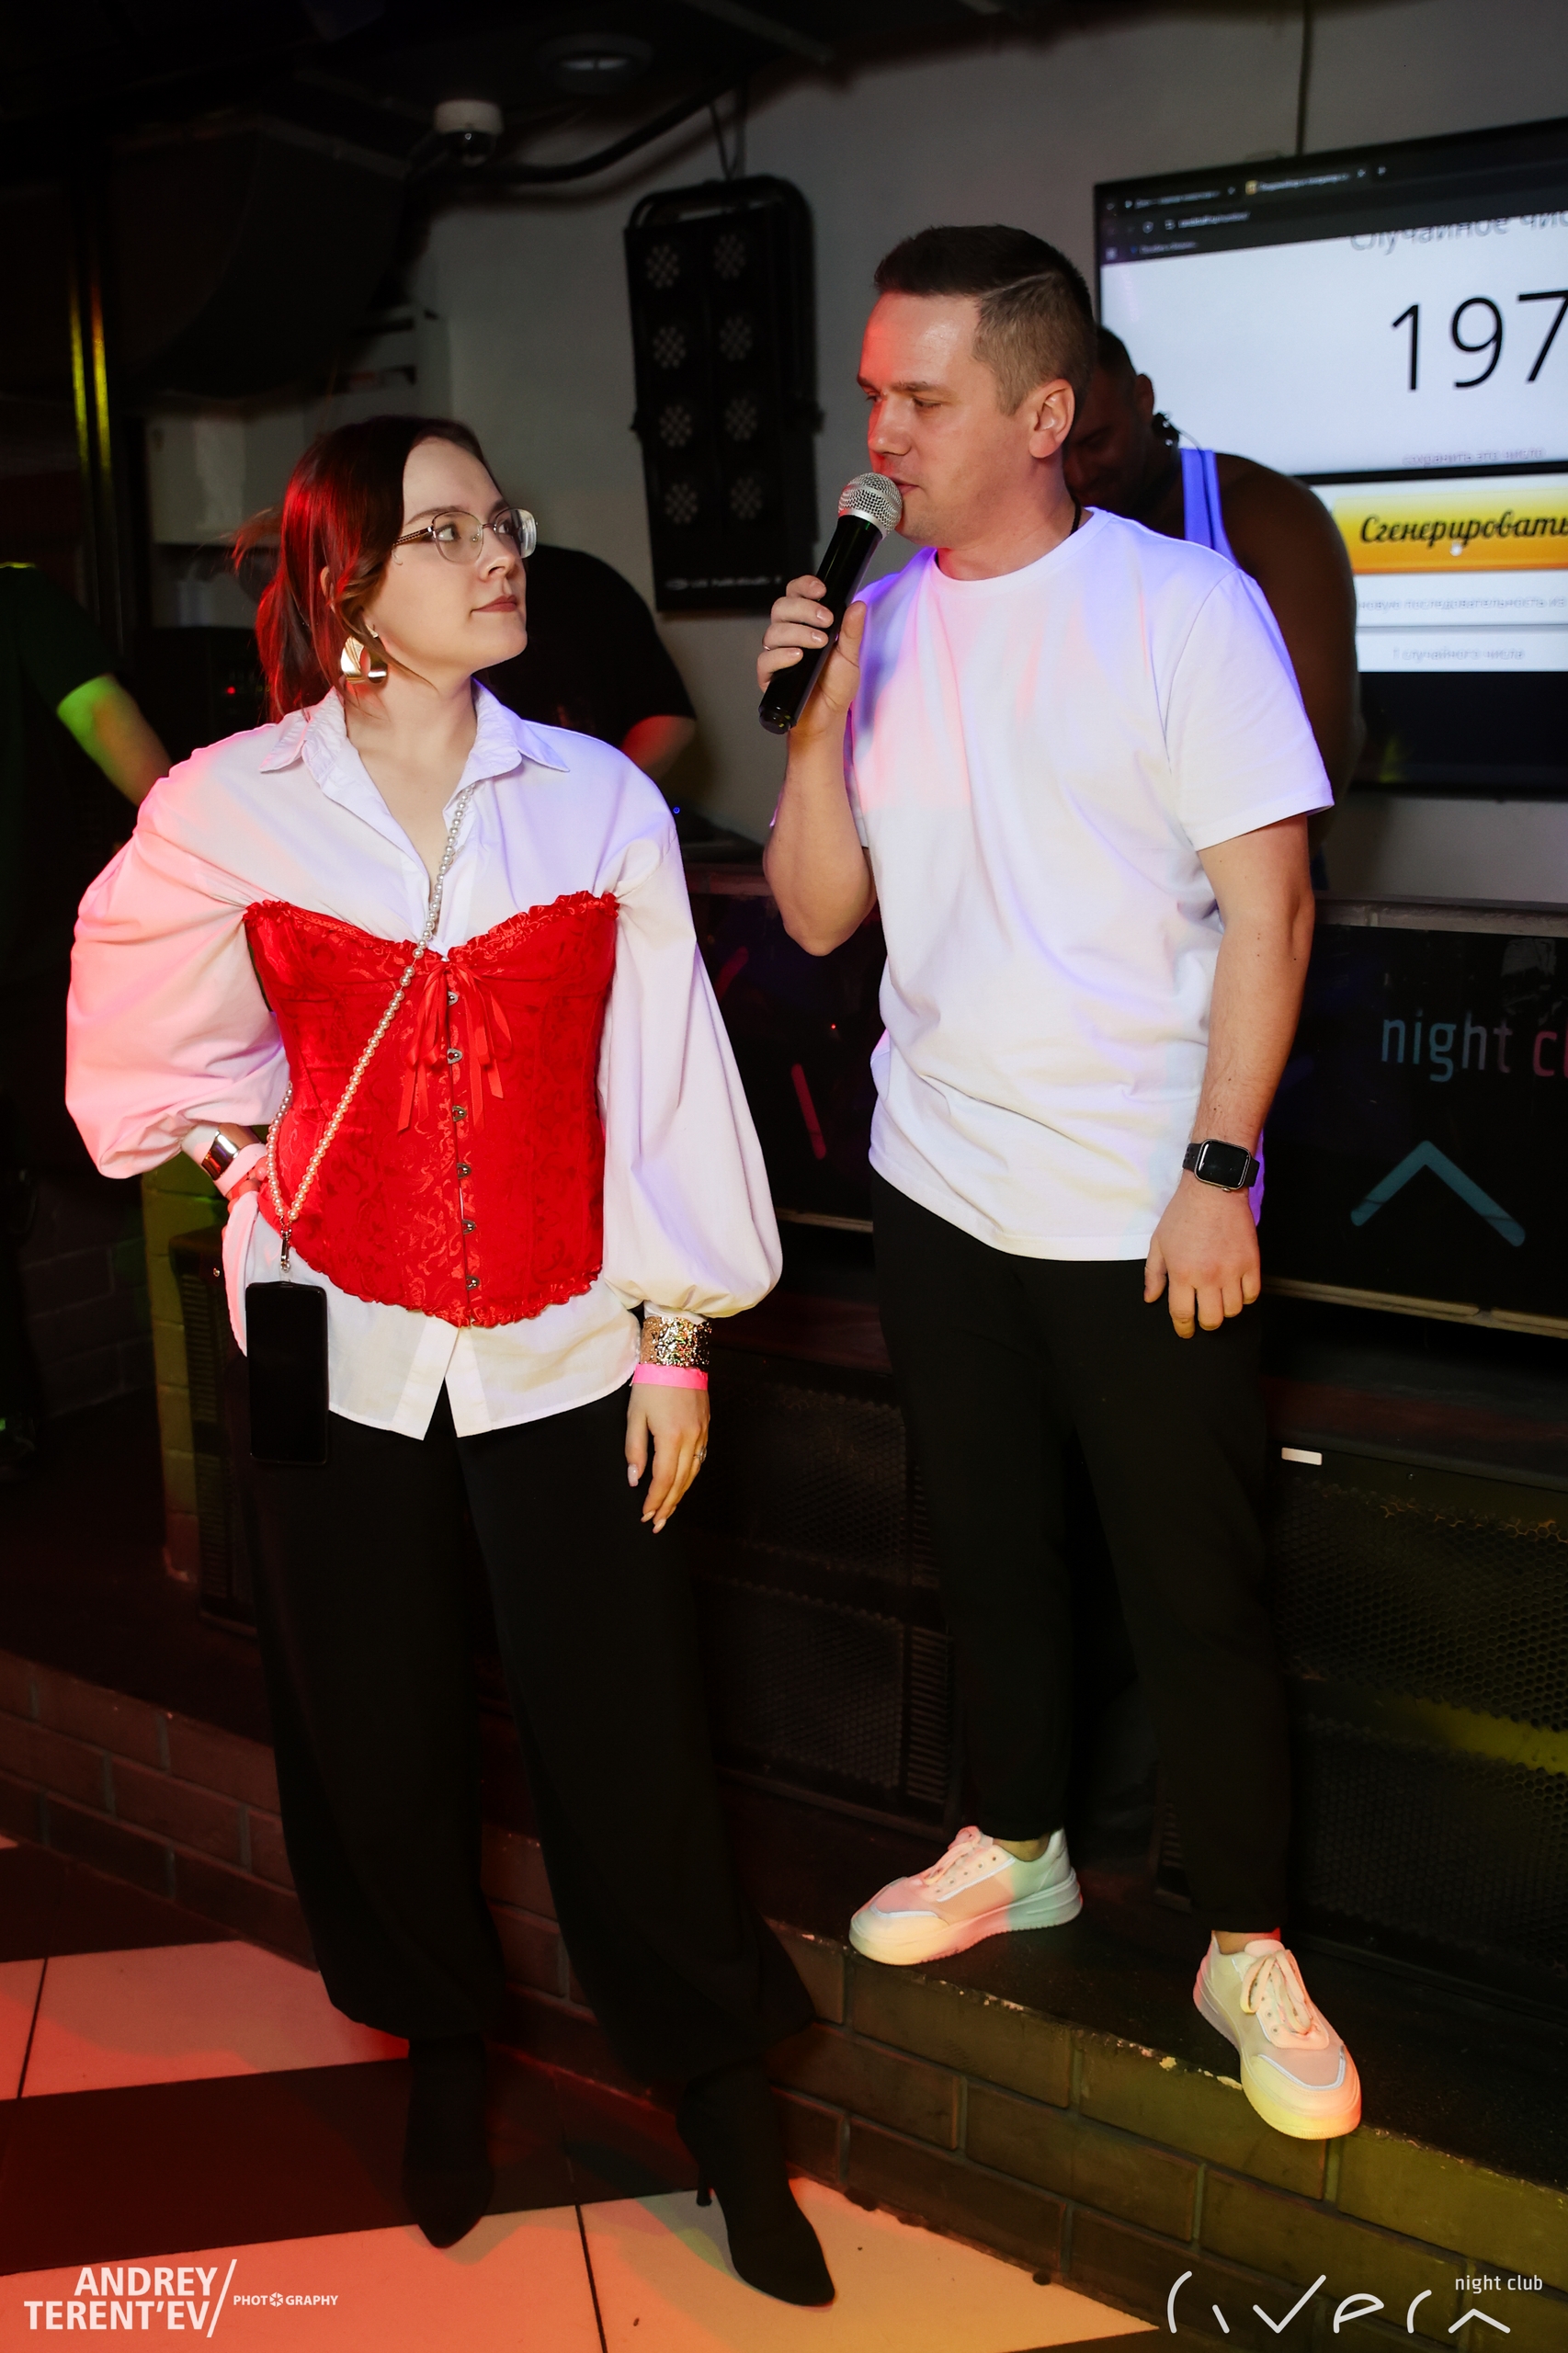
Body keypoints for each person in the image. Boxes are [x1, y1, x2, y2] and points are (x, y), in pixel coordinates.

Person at [66, 415, 833, 2302]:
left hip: (568, 1343)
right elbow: (132, 1004)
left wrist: (677, 1338)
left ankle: (723, 2099)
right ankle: (441, 2052)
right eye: (444, 531)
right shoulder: (235, 800)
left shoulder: (595, 799)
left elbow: (664, 1081)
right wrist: (240, 1155)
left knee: (630, 1733)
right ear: (346, 594)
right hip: (321, 1345)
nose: (500, 551)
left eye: (500, 518)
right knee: (368, 1724)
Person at [758, 227, 1361, 2143]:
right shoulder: (880, 623)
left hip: (1139, 1194)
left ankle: (1243, 1939)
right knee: (990, 1548)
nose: (880, 434)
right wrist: (817, 712)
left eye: (919, 399)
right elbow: (816, 912)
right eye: (871, 393)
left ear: (1040, 413)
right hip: (939, 1181)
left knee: (1193, 1584)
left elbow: (1273, 909)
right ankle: (1013, 1844)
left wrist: (1216, 1168)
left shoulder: (1183, 609)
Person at [0, 563, 168, 1478]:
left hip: (43, 976)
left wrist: (209, 849)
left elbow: (108, 723)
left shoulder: (18, 600)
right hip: (38, 976)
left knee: (160, 1149)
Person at [1064, 326, 1364, 813]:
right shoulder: (1041, 530)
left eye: (1097, 442)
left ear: (1142, 399)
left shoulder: (1268, 515)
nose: (1078, 473)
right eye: (1059, 451)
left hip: (1254, 853)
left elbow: (1321, 754)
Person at [480, 540, 697, 780]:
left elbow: (664, 713)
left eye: (504, 526)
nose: (504, 561)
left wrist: (607, 790)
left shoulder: (586, 581)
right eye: (453, 533)